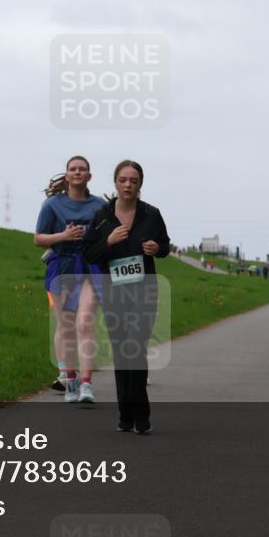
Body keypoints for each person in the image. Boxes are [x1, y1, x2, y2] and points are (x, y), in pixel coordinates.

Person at [84, 160, 169, 435]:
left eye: (133, 180)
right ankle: (125, 414)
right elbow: (89, 254)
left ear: (140, 183)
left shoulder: (151, 214)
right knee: (122, 352)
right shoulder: (102, 216)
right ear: (115, 182)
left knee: (136, 348)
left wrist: (157, 248)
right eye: (123, 180)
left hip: (145, 290)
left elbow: (166, 246)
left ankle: (140, 415)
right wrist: (107, 242)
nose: (128, 185)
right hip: (114, 291)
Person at [35, 156, 107, 404]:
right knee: (65, 326)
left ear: (89, 176)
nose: (77, 172)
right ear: (66, 176)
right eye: (73, 169)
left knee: (85, 322)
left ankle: (87, 383)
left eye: (82, 169)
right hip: (62, 265)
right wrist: (64, 235)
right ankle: (70, 379)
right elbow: (39, 239)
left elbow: (105, 236)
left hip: (89, 265)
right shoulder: (52, 205)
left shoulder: (99, 206)